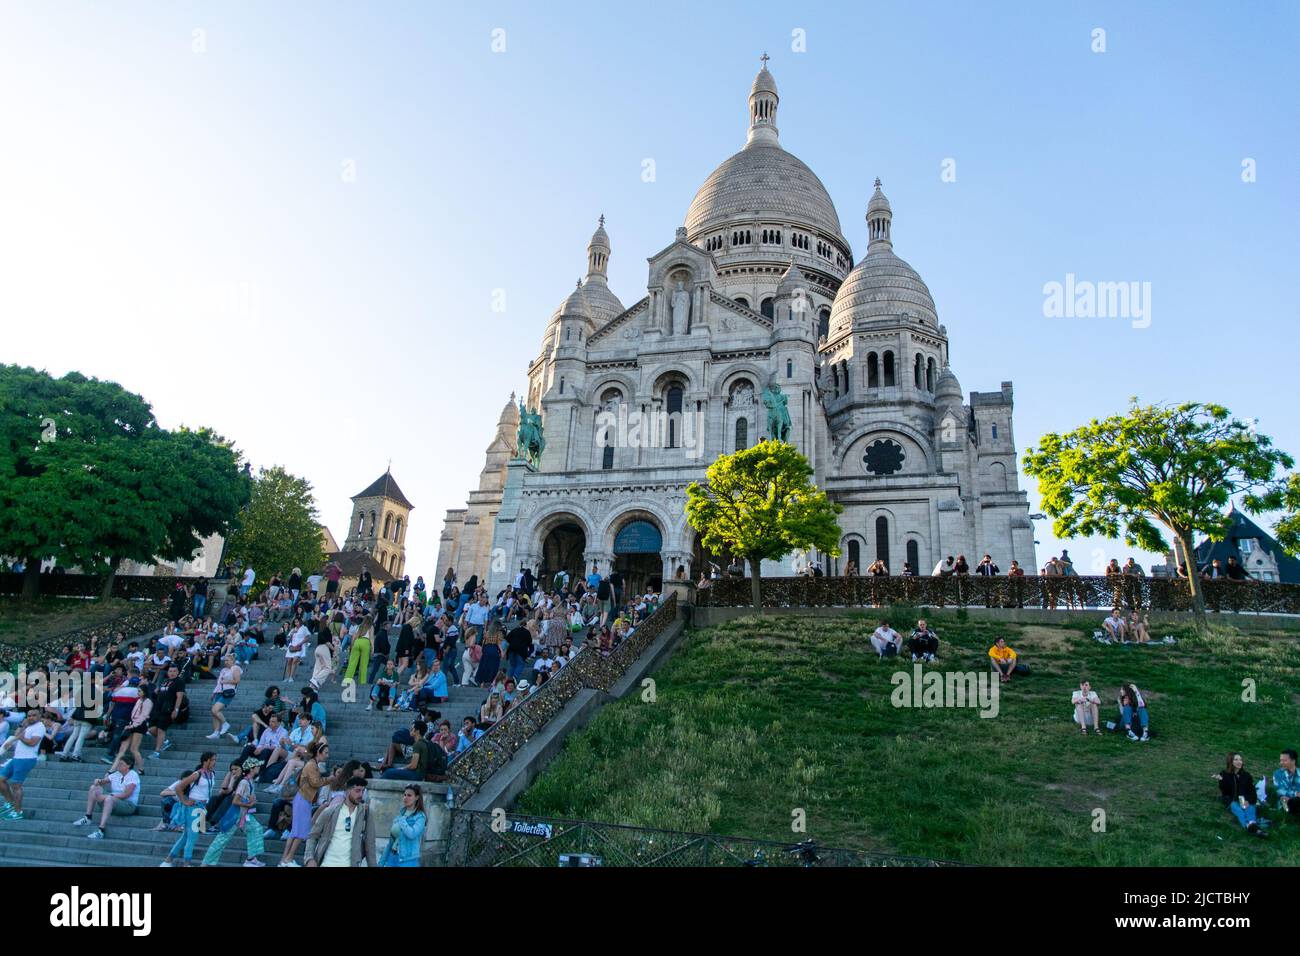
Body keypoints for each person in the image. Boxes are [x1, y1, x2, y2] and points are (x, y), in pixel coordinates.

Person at [202, 757, 268, 867]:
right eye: (257, 766)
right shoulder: (244, 782)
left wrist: (250, 801)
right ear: (251, 768)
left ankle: (251, 859)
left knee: (256, 828)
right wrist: (249, 804)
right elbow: (235, 801)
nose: (259, 768)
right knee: (222, 839)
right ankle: (205, 864)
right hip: (235, 815)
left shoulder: (249, 781)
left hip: (243, 815)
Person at [161, 751, 218, 866]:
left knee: (186, 836)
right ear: (205, 761)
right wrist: (184, 801)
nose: (214, 762)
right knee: (192, 836)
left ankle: (168, 861)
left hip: (202, 808)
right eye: (212, 760)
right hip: (193, 808)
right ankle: (186, 864)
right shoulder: (197, 774)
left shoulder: (212, 774)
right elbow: (179, 787)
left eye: (215, 760)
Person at [305, 776, 377, 867]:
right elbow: (313, 836)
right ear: (347, 791)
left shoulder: (366, 813)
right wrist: (309, 858)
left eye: (363, 791)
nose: (361, 795)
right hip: (327, 863)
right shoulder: (330, 812)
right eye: (357, 791)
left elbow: (370, 844)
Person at [280, 740, 330, 867]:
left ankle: (285, 859)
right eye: (326, 753)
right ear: (319, 753)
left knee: (295, 830)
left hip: (302, 798)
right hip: (303, 799)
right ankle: (289, 858)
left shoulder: (311, 764)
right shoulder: (312, 765)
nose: (327, 755)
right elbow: (315, 782)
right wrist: (329, 779)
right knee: (302, 830)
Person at [0, 711, 54, 819]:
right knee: (1, 779)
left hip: (26, 759)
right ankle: (10, 803)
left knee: (16, 785)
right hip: (17, 758)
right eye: (29, 716)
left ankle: (18, 811)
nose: (31, 717)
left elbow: (32, 743)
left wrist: (20, 738)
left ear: (39, 716)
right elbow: (16, 735)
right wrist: (21, 726)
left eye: (34, 715)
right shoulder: (28, 726)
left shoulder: (39, 727)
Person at [75, 754, 141, 839]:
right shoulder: (116, 774)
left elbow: (125, 795)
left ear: (128, 765)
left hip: (128, 805)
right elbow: (104, 781)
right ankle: (88, 817)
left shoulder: (133, 775)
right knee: (94, 788)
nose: (118, 765)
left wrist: (106, 796)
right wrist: (98, 781)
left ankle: (101, 830)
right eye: (118, 763)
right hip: (113, 803)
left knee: (109, 799)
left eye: (121, 764)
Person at [1214, 753, 1268, 838]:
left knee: (1250, 809)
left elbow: (1252, 791)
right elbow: (1226, 792)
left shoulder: (1246, 775)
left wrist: (1248, 800)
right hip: (1232, 800)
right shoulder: (1224, 774)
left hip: (1245, 799)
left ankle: (1253, 825)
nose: (1239, 762)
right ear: (1230, 761)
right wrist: (1221, 781)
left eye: (1240, 760)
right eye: (1236, 760)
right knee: (1239, 810)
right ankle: (1251, 827)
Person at [383, 785, 427, 867]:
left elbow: (412, 834)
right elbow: (391, 842)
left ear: (417, 797)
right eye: (404, 795)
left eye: (409, 795)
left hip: (408, 860)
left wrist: (403, 820)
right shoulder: (400, 815)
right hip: (392, 856)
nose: (405, 798)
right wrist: (382, 862)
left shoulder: (420, 817)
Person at [206, 654, 241, 742]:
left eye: (228, 660)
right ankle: (216, 732)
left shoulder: (235, 668)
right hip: (219, 691)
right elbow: (219, 683)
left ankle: (225, 723)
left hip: (228, 692)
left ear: (232, 661)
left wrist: (226, 681)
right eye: (225, 660)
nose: (226, 662)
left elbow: (237, 680)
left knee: (215, 710)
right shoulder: (223, 670)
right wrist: (213, 693)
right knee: (214, 712)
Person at [1273, 749, 1300, 820]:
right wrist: (1295, 794)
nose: (1281, 763)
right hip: (1285, 804)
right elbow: (1279, 791)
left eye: (1284, 760)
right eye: (1281, 760)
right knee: (1292, 801)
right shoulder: (1278, 774)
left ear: (1293, 761)